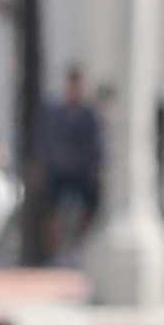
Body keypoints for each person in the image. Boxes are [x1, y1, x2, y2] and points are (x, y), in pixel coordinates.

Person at [42, 65, 104, 259]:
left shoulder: (88, 114)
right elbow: (48, 139)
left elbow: (96, 143)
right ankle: (55, 251)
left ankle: (80, 246)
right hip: (60, 169)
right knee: (52, 210)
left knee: (91, 205)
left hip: (82, 170)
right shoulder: (57, 112)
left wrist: (96, 167)